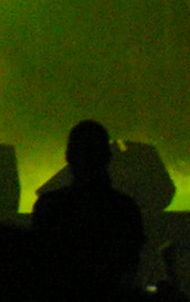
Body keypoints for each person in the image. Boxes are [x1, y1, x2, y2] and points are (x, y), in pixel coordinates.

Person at [31, 118, 145, 285]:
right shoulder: (125, 209)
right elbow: (130, 267)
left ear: (68, 156)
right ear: (108, 157)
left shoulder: (49, 206)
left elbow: (40, 267)